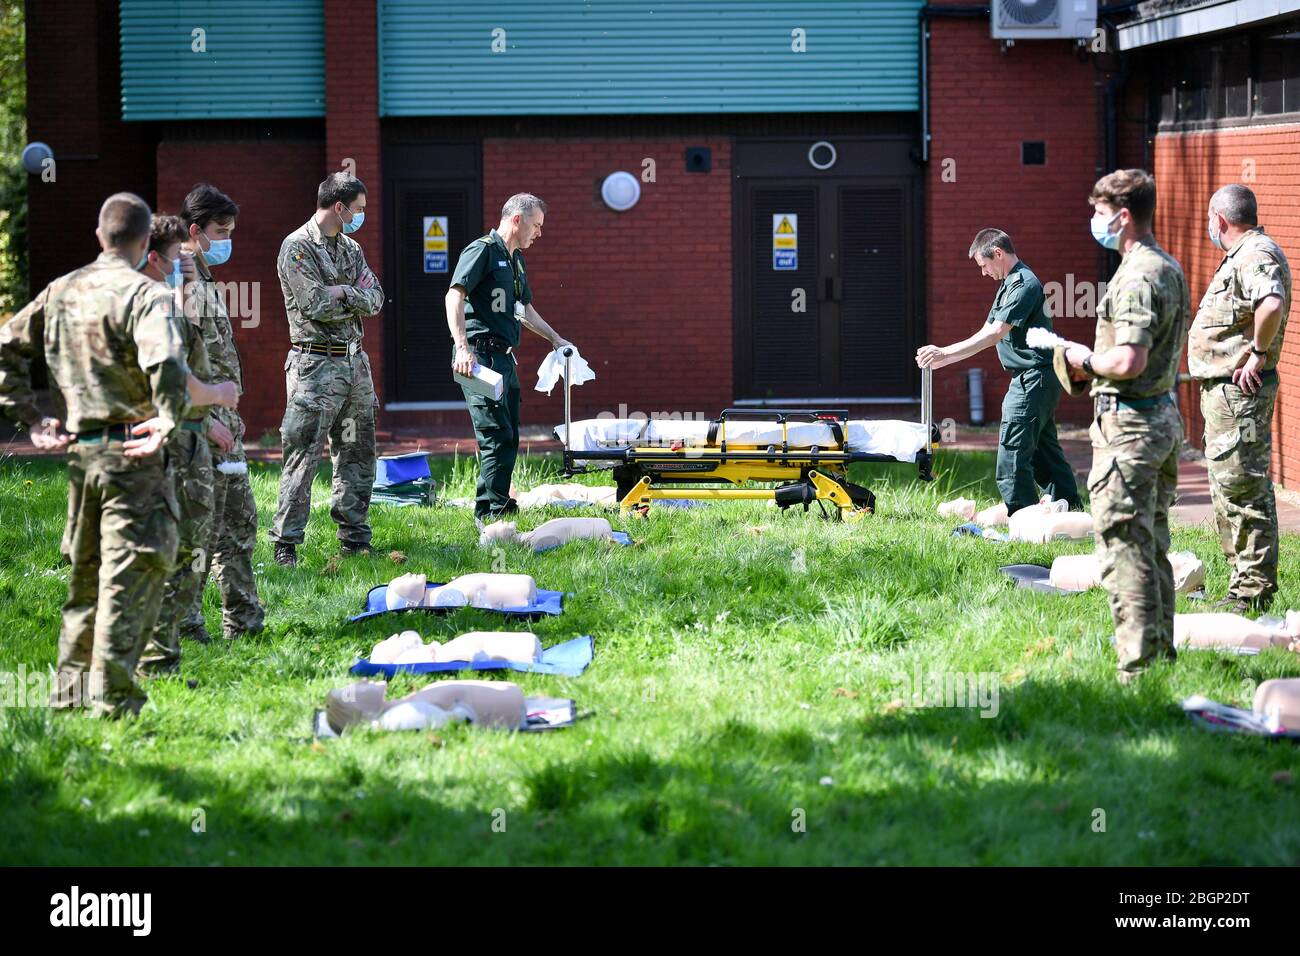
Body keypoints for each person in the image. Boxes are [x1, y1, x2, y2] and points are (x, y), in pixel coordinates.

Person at [0, 193, 190, 716]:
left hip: (83, 457)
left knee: (86, 582)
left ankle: (68, 695)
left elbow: (5, 345)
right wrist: (169, 422)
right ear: (146, 240)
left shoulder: (61, 290)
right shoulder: (144, 295)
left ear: (100, 235)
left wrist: (33, 419)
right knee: (129, 578)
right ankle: (115, 702)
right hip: (133, 455)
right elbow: (168, 365)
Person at [1062, 169, 1190, 683]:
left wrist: (1084, 361)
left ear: (1123, 216)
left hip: (1132, 427)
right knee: (1150, 542)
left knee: (1124, 547)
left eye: (1098, 212)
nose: (1093, 222)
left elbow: (1130, 359)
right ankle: (1160, 657)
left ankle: (1137, 668)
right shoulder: (1168, 267)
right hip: (1160, 420)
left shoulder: (1138, 274)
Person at [135, 213, 238, 675]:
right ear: (155, 257)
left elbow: (194, 353)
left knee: (199, 538)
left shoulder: (178, 298)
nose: (188, 264)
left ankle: (171, 643)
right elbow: (172, 378)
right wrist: (212, 407)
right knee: (170, 546)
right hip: (167, 438)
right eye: (180, 258)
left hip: (191, 432)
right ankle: (156, 653)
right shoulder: (147, 306)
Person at [917, 228, 1080, 513]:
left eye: (984, 265)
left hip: (1034, 378)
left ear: (998, 254)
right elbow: (986, 331)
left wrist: (945, 351)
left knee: (1013, 450)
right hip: (1035, 377)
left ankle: (1022, 516)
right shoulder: (1008, 284)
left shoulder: (1024, 284)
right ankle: (1071, 508)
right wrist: (945, 358)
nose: (983, 273)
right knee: (1045, 453)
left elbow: (995, 333)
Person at [270, 172, 385, 566]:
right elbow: (315, 304)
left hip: (354, 364)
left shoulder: (351, 249)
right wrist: (350, 296)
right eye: (359, 210)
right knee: (303, 454)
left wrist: (346, 292)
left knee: (357, 451)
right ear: (339, 207)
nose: (361, 216)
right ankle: (286, 543)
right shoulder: (297, 248)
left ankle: (354, 537)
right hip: (313, 366)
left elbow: (376, 298)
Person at [1189, 183, 1292, 613]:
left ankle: (1253, 594)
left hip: (1241, 397)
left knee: (1243, 488)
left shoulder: (1255, 254)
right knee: (1228, 488)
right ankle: (1241, 588)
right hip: (1226, 398)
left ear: (1220, 220)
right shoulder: (1243, 255)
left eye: (1209, 220)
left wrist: (1258, 354)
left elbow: (1271, 302)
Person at [445, 193, 574, 520]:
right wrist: (462, 346)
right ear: (517, 219)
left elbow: (525, 309)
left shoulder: (515, 259)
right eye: (536, 225)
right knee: (495, 434)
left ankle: (492, 506)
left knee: (508, 435)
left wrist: (555, 338)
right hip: (478, 358)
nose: (539, 233)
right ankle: (493, 513)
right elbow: (454, 295)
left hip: (504, 359)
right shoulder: (482, 251)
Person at [176, 183, 265, 639]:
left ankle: (245, 624)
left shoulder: (204, 277)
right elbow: (169, 367)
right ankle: (186, 629)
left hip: (224, 424)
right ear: (195, 230)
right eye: (221, 230)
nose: (228, 238)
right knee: (198, 532)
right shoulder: (176, 285)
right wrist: (205, 419)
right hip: (196, 429)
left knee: (239, 522)